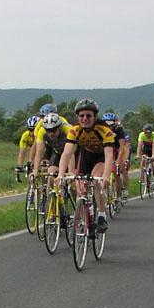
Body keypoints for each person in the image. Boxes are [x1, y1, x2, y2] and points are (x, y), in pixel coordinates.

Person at [57, 99, 115, 233]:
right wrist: (60, 174)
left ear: (94, 117)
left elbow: (109, 155)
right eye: (81, 116)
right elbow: (66, 153)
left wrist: (106, 176)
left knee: (96, 180)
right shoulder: (74, 131)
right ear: (77, 117)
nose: (85, 119)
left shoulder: (104, 130)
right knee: (80, 187)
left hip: (101, 156)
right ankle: (86, 213)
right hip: (86, 156)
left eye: (88, 116)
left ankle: (101, 215)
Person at [101, 112, 130, 201]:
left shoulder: (119, 129)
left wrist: (118, 161)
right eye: (106, 124)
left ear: (114, 123)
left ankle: (118, 196)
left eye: (111, 124)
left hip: (118, 149)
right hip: (108, 148)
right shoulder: (101, 129)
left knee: (118, 171)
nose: (109, 127)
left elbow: (122, 148)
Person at [137, 124, 154, 188]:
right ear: (144, 132)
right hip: (146, 148)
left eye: (149, 133)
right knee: (143, 161)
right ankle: (142, 177)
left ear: (151, 132)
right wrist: (138, 155)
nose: (148, 134)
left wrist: (153, 156)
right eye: (146, 133)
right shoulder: (141, 135)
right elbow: (139, 145)